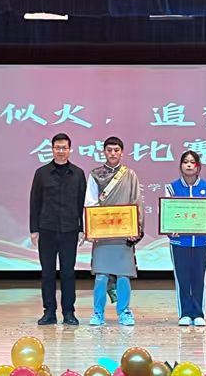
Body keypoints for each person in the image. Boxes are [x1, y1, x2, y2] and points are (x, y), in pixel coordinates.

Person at [81, 136, 144, 326]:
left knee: (123, 275)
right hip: (103, 233)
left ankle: (124, 312)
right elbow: (90, 203)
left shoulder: (130, 175)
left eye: (116, 150)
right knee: (101, 275)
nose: (113, 153)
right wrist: (92, 229)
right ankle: (98, 313)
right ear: (104, 152)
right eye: (109, 150)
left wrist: (136, 228)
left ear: (122, 152)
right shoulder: (95, 175)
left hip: (124, 233)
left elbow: (136, 202)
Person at [29, 133, 87, 326]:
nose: (61, 151)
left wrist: (82, 228)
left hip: (70, 230)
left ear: (70, 150)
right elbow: (35, 202)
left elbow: (82, 203)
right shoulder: (41, 173)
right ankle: (49, 312)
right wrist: (34, 229)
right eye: (57, 148)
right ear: (52, 149)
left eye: (64, 148)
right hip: (47, 228)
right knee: (47, 273)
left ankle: (69, 312)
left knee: (68, 273)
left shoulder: (78, 174)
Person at [164, 150, 206, 327]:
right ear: (180, 165)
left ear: (198, 166)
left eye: (192, 162)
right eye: (185, 162)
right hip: (179, 242)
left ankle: (198, 314)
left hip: (202, 241)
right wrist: (170, 228)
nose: (189, 165)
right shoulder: (171, 188)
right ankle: (184, 314)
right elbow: (165, 212)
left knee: (199, 278)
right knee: (182, 278)